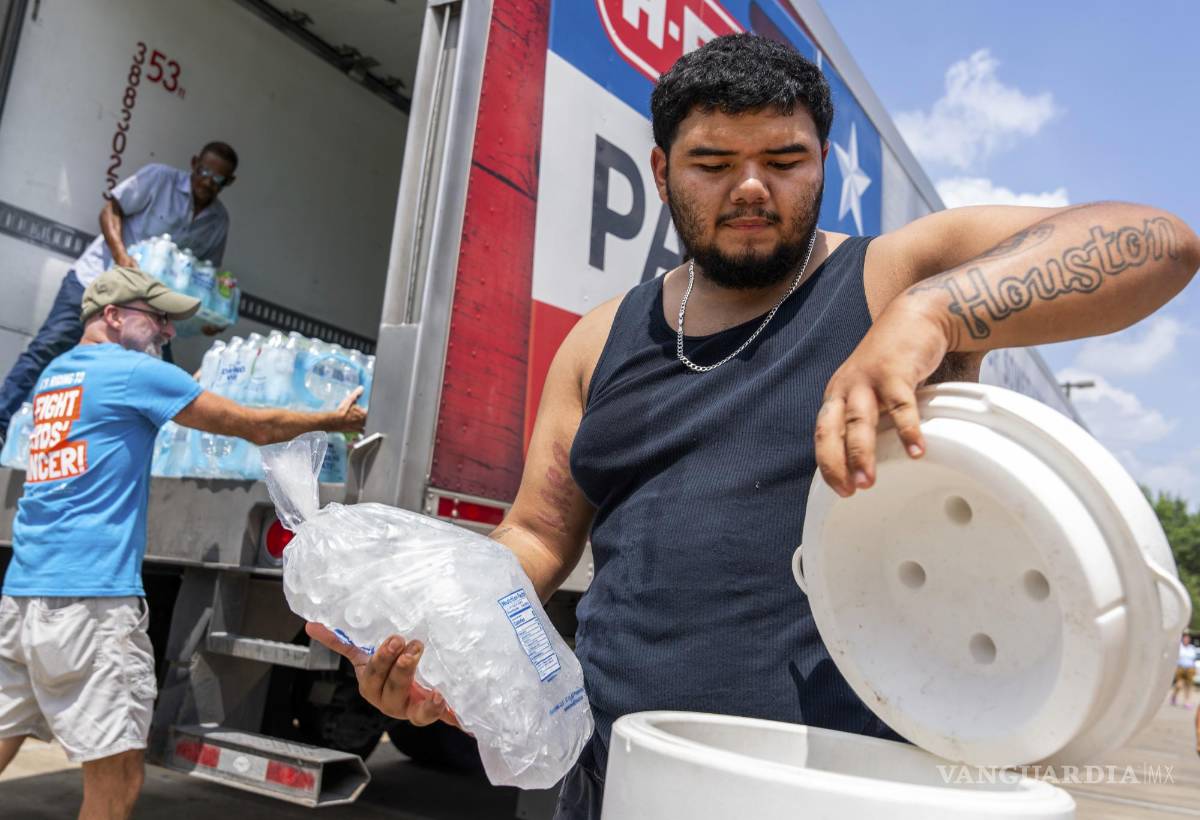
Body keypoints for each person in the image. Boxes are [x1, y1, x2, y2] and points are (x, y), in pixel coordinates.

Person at [310, 34, 1200, 819]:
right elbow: (538, 537)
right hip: (608, 776)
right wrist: (439, 637)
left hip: (834, 786)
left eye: (784, 159)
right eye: (710, 163)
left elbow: (1158, 242)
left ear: (822, 160)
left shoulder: (887, 278)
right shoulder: (598, 340)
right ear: (661, 172)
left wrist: (937, 312)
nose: (749, 188)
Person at [0, 266, 365, 820]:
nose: (167, 333)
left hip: (22, 598)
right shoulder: (130, 372)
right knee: (117, 775)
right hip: (90, 606)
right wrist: (335, 419)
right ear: (114, 317)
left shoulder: (57, 376)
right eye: (158, 319)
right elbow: (255, 426)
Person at [0, 142, 238, 446]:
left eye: (218, 179)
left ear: (228, 182)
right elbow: (111, 210)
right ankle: (2, 424)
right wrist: (121, 255)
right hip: (93, 282)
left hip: (142, 310)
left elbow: (201, 277)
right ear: (194, 163)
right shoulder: (158, 178)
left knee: (158, 375)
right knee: (48, 347)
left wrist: (203, 321)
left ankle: (150, 452)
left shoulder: (218, 221)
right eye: (204, 171)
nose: (208, 181)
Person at [1173, 634, 1196, 707]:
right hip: (1181, 668)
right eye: (1185, 639)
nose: (1186, 640)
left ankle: (1187, 701)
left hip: (1190, 668)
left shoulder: (1192, 648)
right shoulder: (1179, 647)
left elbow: (1193, 659)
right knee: (1179, 684)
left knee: (1188, 686)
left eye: (1187, 639)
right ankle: (1174, 696)